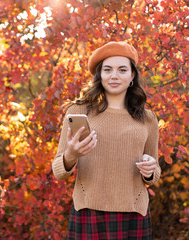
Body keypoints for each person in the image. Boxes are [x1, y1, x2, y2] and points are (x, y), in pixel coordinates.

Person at [52, 41, 161, 240]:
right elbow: (59, 171)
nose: (114, 76)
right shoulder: (78, 112)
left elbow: (154, 172)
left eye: (122, 70)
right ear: (100, 75)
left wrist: (150, 170)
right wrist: (72, 155)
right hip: (89, 212)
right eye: (108, 69)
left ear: (132, 76)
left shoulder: (148, 119)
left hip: (133, 213)